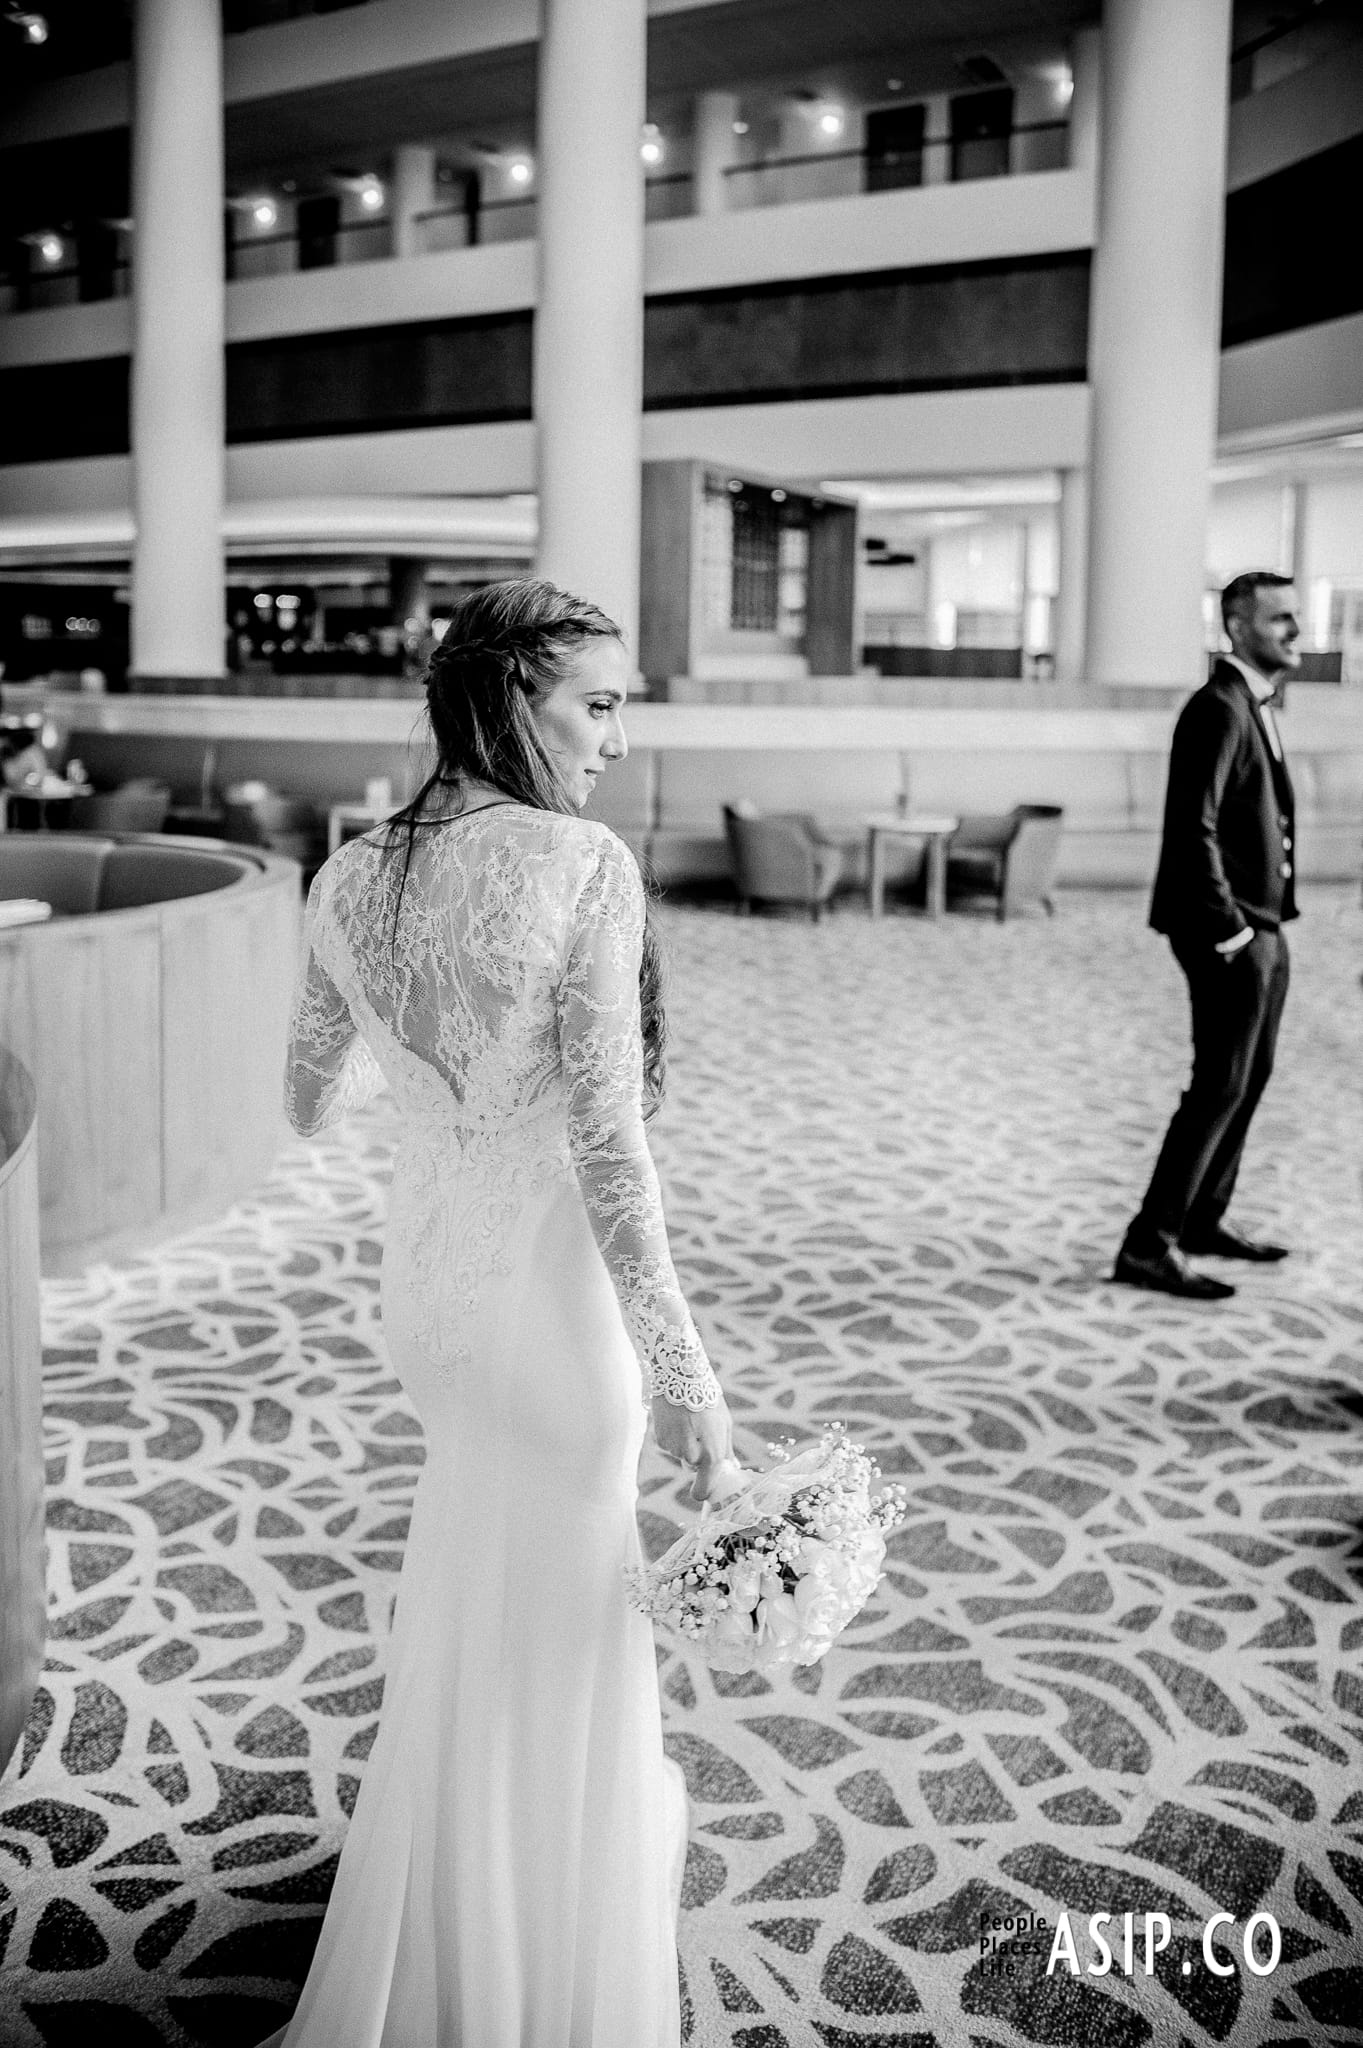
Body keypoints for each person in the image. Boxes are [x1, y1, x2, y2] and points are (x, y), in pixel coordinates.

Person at [268, 580, 738, 2047]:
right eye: (597, 704)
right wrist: (685, 1376)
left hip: (429, 1297)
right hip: (548, 1310)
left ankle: (451, 1891)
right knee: (569, 1616)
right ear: (507, 697)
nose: (615, 741)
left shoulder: (346, 875)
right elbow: (608, 1146)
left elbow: (304, 1098)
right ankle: (541, 1946)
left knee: (476, 1575)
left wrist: (435, 1068)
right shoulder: (581, 864)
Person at [1113, 570, 1299, 1300]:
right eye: (1279, 618)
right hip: (1228, 931)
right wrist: (1231, 933)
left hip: (1265, 925)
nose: (1295, 630)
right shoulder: (1216, 707)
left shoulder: (1252, 702)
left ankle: (1201, 1218)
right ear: (1237, 627)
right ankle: (1148, 1244)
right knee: (1218, 1085)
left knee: (1248, 1079)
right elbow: (1193, 830)